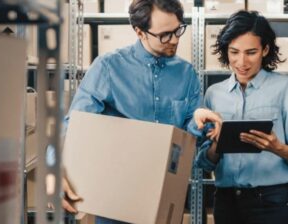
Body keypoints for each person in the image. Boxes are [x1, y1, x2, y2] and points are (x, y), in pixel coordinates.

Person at [62, 0, 208, 223]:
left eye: (178, 30)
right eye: (165, 35)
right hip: (118, 198)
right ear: (139, 31)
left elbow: (188, 137)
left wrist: (197, 123)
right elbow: (74, 126)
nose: (176, 40)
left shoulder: (186, 74)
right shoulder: (108, 68)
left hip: (167, 194)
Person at [194, 10, 288, 224]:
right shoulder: (213, 94)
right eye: (234, 52)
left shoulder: (284, 89)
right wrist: (216, 144)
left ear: (265, 50)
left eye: (251, 52)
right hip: (226, 202)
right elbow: (204, 164)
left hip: (271, 202)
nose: (241, 61)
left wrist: (277, 148)